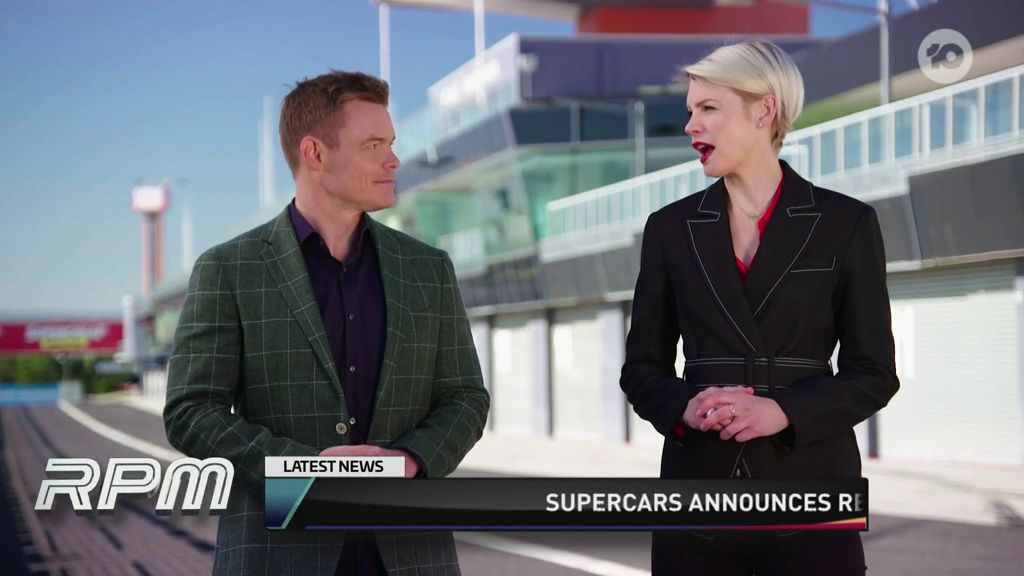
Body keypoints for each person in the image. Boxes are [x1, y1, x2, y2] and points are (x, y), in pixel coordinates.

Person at [164, 70, 490, 576]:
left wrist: (410, 459)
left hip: (410, 554)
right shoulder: (229, 268)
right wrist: (304, 471)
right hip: (277, 554)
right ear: (314, 153)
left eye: (390, 143)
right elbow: (191, 411)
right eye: (373, 145)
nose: (393, 159)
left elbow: (465, 397)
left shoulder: (428, 269)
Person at [620, 41, 899, 575]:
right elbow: (641, 368)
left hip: (813, 492)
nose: (690, 126)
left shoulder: (846, 223)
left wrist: (783, 411)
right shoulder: (670, 229)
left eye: (708, 108)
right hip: (698, 499)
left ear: (764, 110)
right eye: (690, 110)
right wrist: (684, 406)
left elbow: (874, 373)